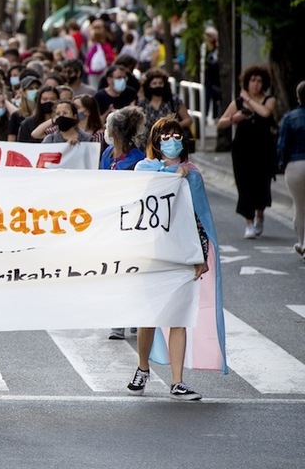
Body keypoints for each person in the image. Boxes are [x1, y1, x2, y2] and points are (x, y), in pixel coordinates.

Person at [127, 115, 227, 400]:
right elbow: (139, 207)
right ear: (156, 142)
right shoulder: (143, 169)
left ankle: (177, 381)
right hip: (153, 254)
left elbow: (199, 218)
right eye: (165, 137)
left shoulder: (192, 173)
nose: (171, 142)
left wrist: (201, 256)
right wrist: (170, 178)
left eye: (176, 136)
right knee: (148, 316)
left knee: (178, 317)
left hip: (182, 254)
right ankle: (142, 368)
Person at [100, 106, 148, 340]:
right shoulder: (108, 154)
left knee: (131, 271)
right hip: (109, 222)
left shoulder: (138, 159)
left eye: (107, 127)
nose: (105, 130)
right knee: (113, 271)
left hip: (130, 223)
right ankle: (117, 318)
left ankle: (134, 317)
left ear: (116, 131)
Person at [216, 65, 278, 239]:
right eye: (252, 80)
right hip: (242, 149)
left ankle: (260, 214)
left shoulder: (269, 100)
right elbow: (221, 123)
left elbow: (265, 113)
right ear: (247, 82)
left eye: (259, 81)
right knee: (244, 186)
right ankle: (249, 223)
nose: (255, 84)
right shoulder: (237, 102)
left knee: (262, 185)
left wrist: (249, 101)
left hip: (263, 150)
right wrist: (234, 118)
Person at [277, 81, 305, 261]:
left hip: (295, 165)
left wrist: (281, 164)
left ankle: (302, 242)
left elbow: (282, 145)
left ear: (298, 97)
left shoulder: (290, 117)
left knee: (300, 206)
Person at [138, 68, 192, 132]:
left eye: (160, 83)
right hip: (149, 140)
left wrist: (174, 127)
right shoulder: (142, 103)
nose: (158, 85)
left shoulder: (174, 101)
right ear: (148, 86)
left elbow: (188, 120)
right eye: (154, 83)